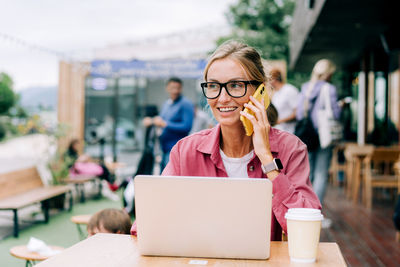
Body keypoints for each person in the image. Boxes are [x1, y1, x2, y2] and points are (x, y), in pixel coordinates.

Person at [131, 40, 321, 240]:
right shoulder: (185, 151)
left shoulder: (291, 149)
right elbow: (145, 224)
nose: (222, 98)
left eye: (236, 85)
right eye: (213, 86)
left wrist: (268, 161)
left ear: (261, 91)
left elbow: (308, 231)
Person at [296, 59, 341, 212]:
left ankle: (306, 209)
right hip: (323, 137)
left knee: (308, 174)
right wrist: (340, 106)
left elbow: (300, 114)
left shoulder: (306, 88)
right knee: (321, 174)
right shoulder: (329, 89)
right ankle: (315, 211)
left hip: (307, 135)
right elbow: (335, 114)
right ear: (328, 73)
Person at [143, 77, 194, 172]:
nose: (175, 90)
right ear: (167, 88)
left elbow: (186, 126)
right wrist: (152, 121)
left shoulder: (185, 104)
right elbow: (161, 121)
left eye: (177, 88)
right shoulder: (166, 104)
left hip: (176, 149)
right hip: (163, 148)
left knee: (171, 178)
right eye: (172, 87)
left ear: (181, 88)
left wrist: (165, 124)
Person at [269, 68, 299, 134]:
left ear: (274, 79)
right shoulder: (276, 93)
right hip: (280, 130)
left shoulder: (290, 90)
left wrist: (279, 121)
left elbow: (297, 112)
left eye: (269, 80)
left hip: (291, 131)